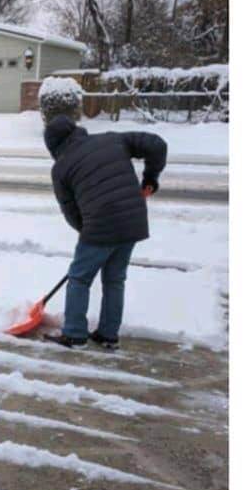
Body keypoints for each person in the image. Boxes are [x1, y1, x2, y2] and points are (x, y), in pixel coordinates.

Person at [39, 78, 168, 350]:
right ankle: (108, 334)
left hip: (100, 225)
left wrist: (89, 232)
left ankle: (75, 334)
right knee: (114, 279)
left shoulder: (60, 169)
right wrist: (150, 178)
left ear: (53, 146)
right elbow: (156, 144)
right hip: (133, 221)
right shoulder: (112, 139)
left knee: (79, 277)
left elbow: (70, 211)